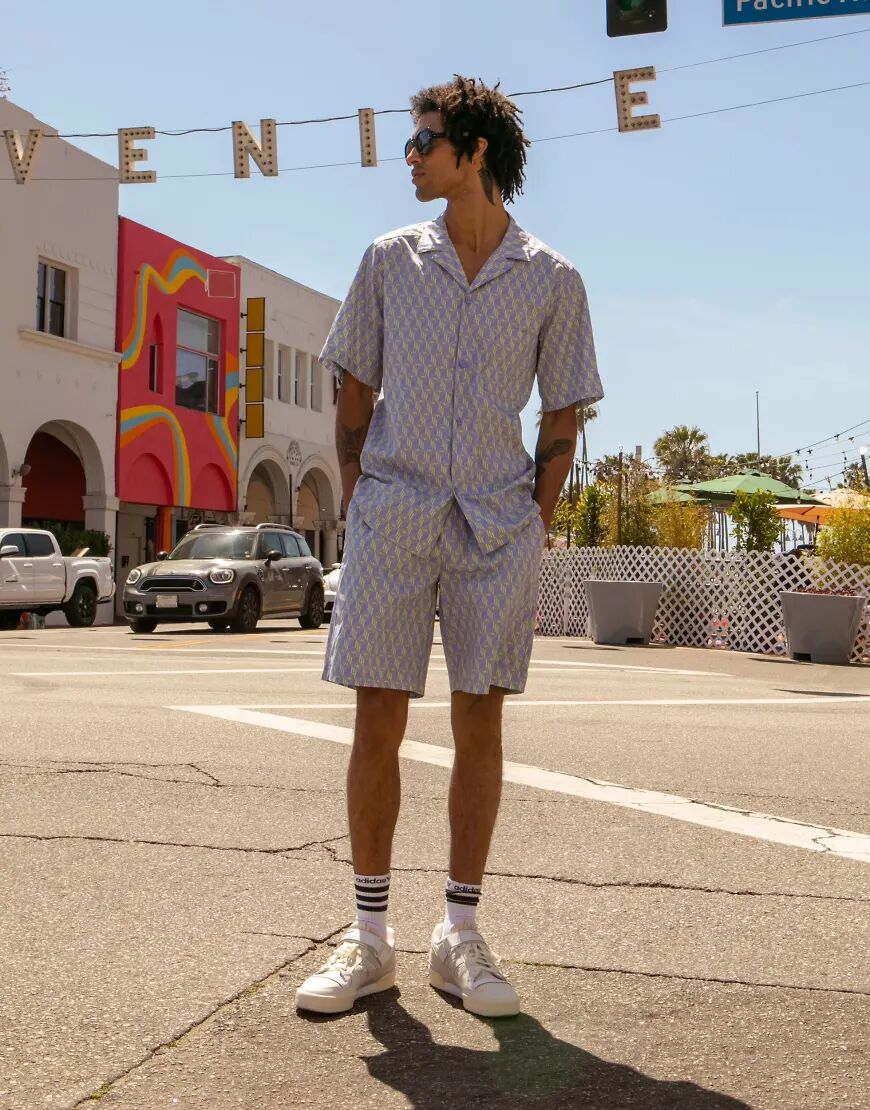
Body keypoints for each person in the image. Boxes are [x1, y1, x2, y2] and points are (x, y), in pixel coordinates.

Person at [295, 75, 602, 1018]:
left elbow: (564, 410)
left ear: (474, 153)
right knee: (377, 716)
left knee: (481, 720)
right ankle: (372, 938)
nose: (410, 157)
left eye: (424, 141)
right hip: (396, 514)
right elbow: (354, 387)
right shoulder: (390, 260)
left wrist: (535, 516)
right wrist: (366, 500)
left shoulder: (552, 280)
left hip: (494, 527)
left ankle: (458, 936)